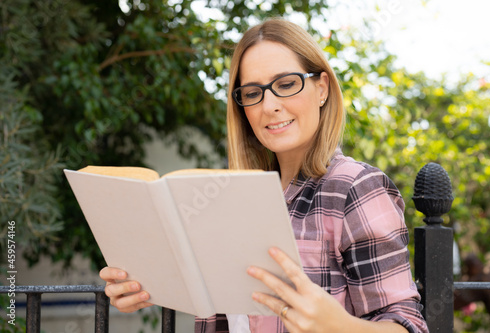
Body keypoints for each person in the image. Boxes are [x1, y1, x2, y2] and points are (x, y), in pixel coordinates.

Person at [100, 18, 429, 333]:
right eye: (253, 93)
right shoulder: (229, 198)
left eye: (286, 84)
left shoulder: (354, 187)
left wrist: (341, 328)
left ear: (322, 88)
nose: (269, 105)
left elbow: (406, 322)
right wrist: (146, 288)